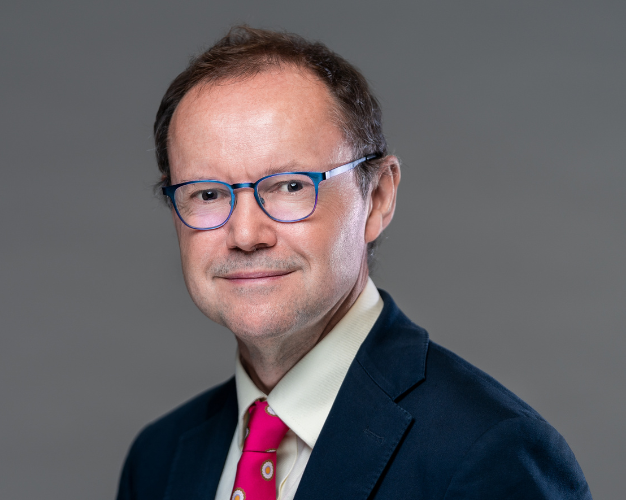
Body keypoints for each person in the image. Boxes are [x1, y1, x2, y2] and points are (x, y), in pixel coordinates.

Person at [116, 26, 591, 500]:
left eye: (290, 186)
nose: (245, 235)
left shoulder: (491, 453)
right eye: (207, 194)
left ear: (378, 197)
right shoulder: (158, 461)